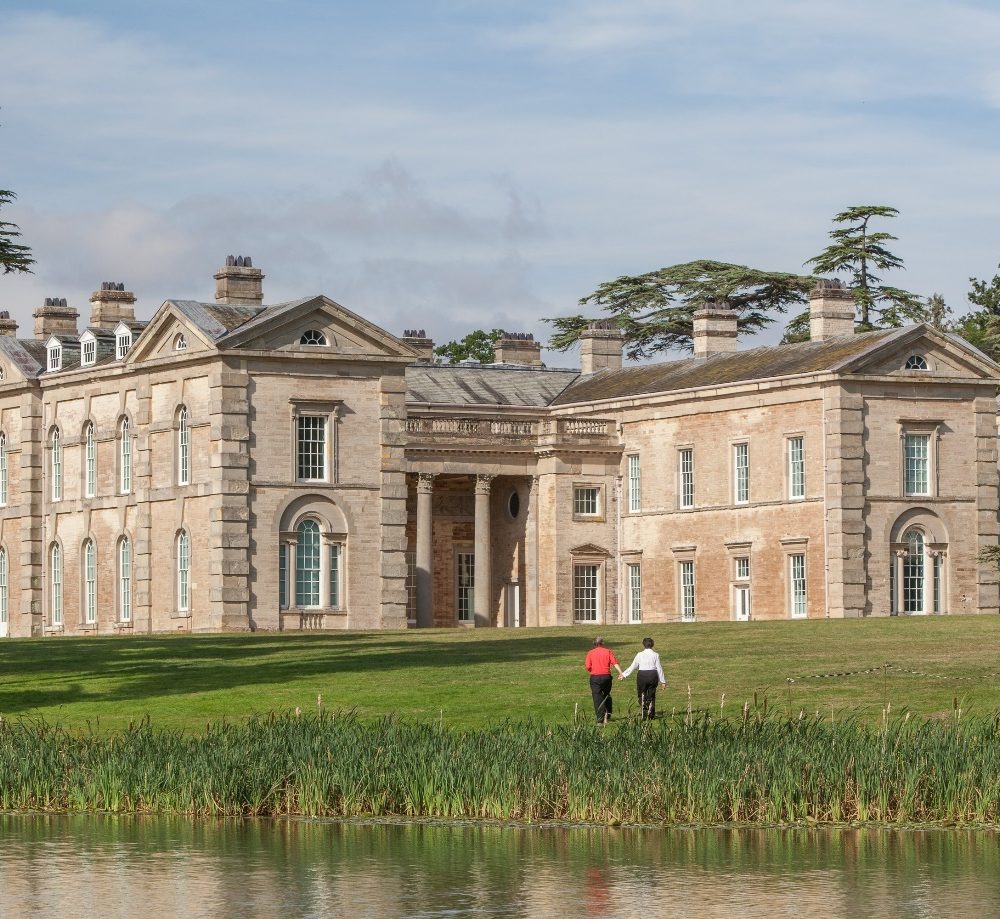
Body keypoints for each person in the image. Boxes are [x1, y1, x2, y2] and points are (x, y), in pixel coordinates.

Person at [619, 637, 666, 720]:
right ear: (652, 644)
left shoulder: (639, 654)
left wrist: (624, 674)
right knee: (652, 695)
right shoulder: (656, 655)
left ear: (643, 645)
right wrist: (663, 681)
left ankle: (644, 712)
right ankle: (651, 714)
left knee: (641, 694)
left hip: (642, 675)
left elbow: (633, 666)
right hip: (653, 675)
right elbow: (659, 668)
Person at [584, 636, 623, 724]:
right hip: (606, 677)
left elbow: (587, 666)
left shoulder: (590, 653)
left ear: (594, 644)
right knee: (606, 695)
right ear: (603, 643)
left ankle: (600, 718)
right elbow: (615, 663)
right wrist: (621, 673)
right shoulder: (608, 651)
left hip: (595, 677)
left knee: (597, 697)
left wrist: (592, 670)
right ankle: (608, 714)